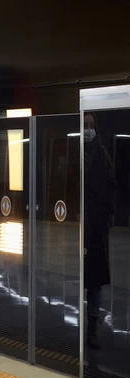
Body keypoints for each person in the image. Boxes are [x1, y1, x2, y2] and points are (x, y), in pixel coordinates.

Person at [83, 112, 116, 350]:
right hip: (76, 225)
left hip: (96, 227)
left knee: (95, 280)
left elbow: (112, 189)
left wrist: (106, 217)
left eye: (92, 126)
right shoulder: (73, 154)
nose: (88, 130)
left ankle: (92, 326)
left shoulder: (103, 156)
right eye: (85, 125)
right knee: (78, 276)